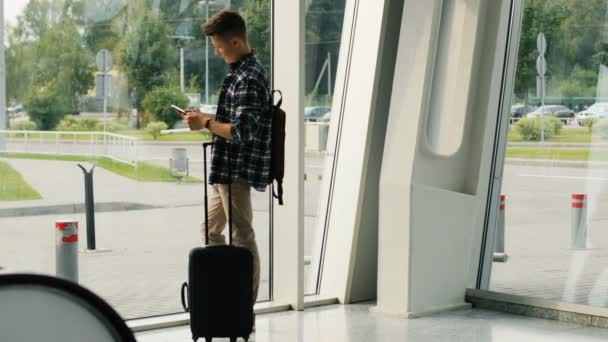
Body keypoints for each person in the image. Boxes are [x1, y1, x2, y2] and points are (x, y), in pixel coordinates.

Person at [183, 9, 271, 309]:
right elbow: (232, 120)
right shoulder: (239, 72)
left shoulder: (248, 77)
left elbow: (241, 132)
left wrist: (205, 125)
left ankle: (243, 307)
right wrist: (204, 118)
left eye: (219, 47)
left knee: (242, 237)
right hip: (224, 170)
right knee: (210, 231)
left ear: (235, 41)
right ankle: (223, 291)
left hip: (236, 171)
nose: (218, 54)